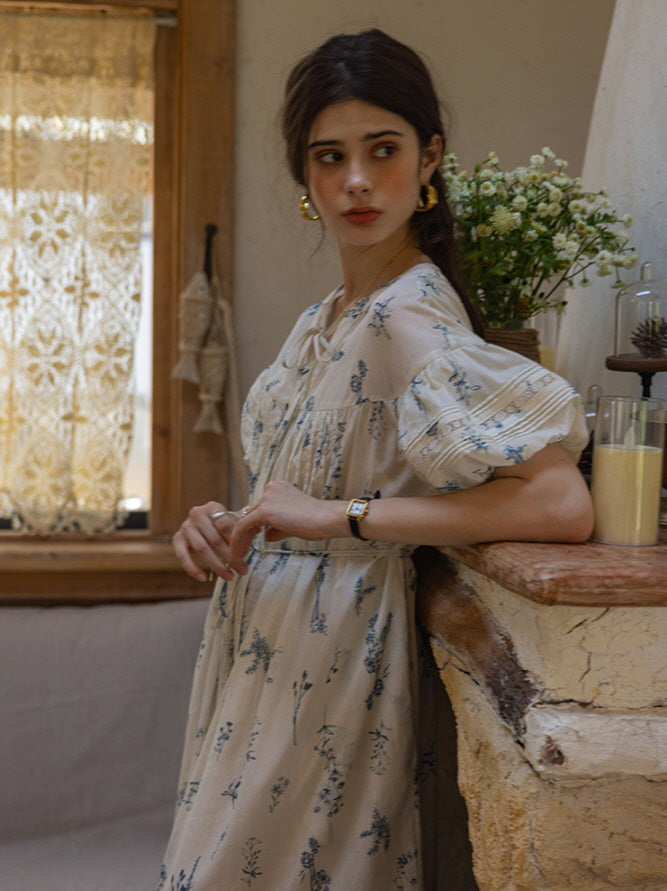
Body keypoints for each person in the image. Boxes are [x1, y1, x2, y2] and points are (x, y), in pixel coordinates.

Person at [158, 29, 593, 891]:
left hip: (334, 659)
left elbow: (557, 505)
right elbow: (292, 489)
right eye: (329, 157)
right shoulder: (326, 317)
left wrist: (343, 518)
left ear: (428, 157)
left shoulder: (408, 315)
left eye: (382, 150)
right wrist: (225, 521)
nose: (356, 181)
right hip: (262, 654)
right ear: (305, 178)